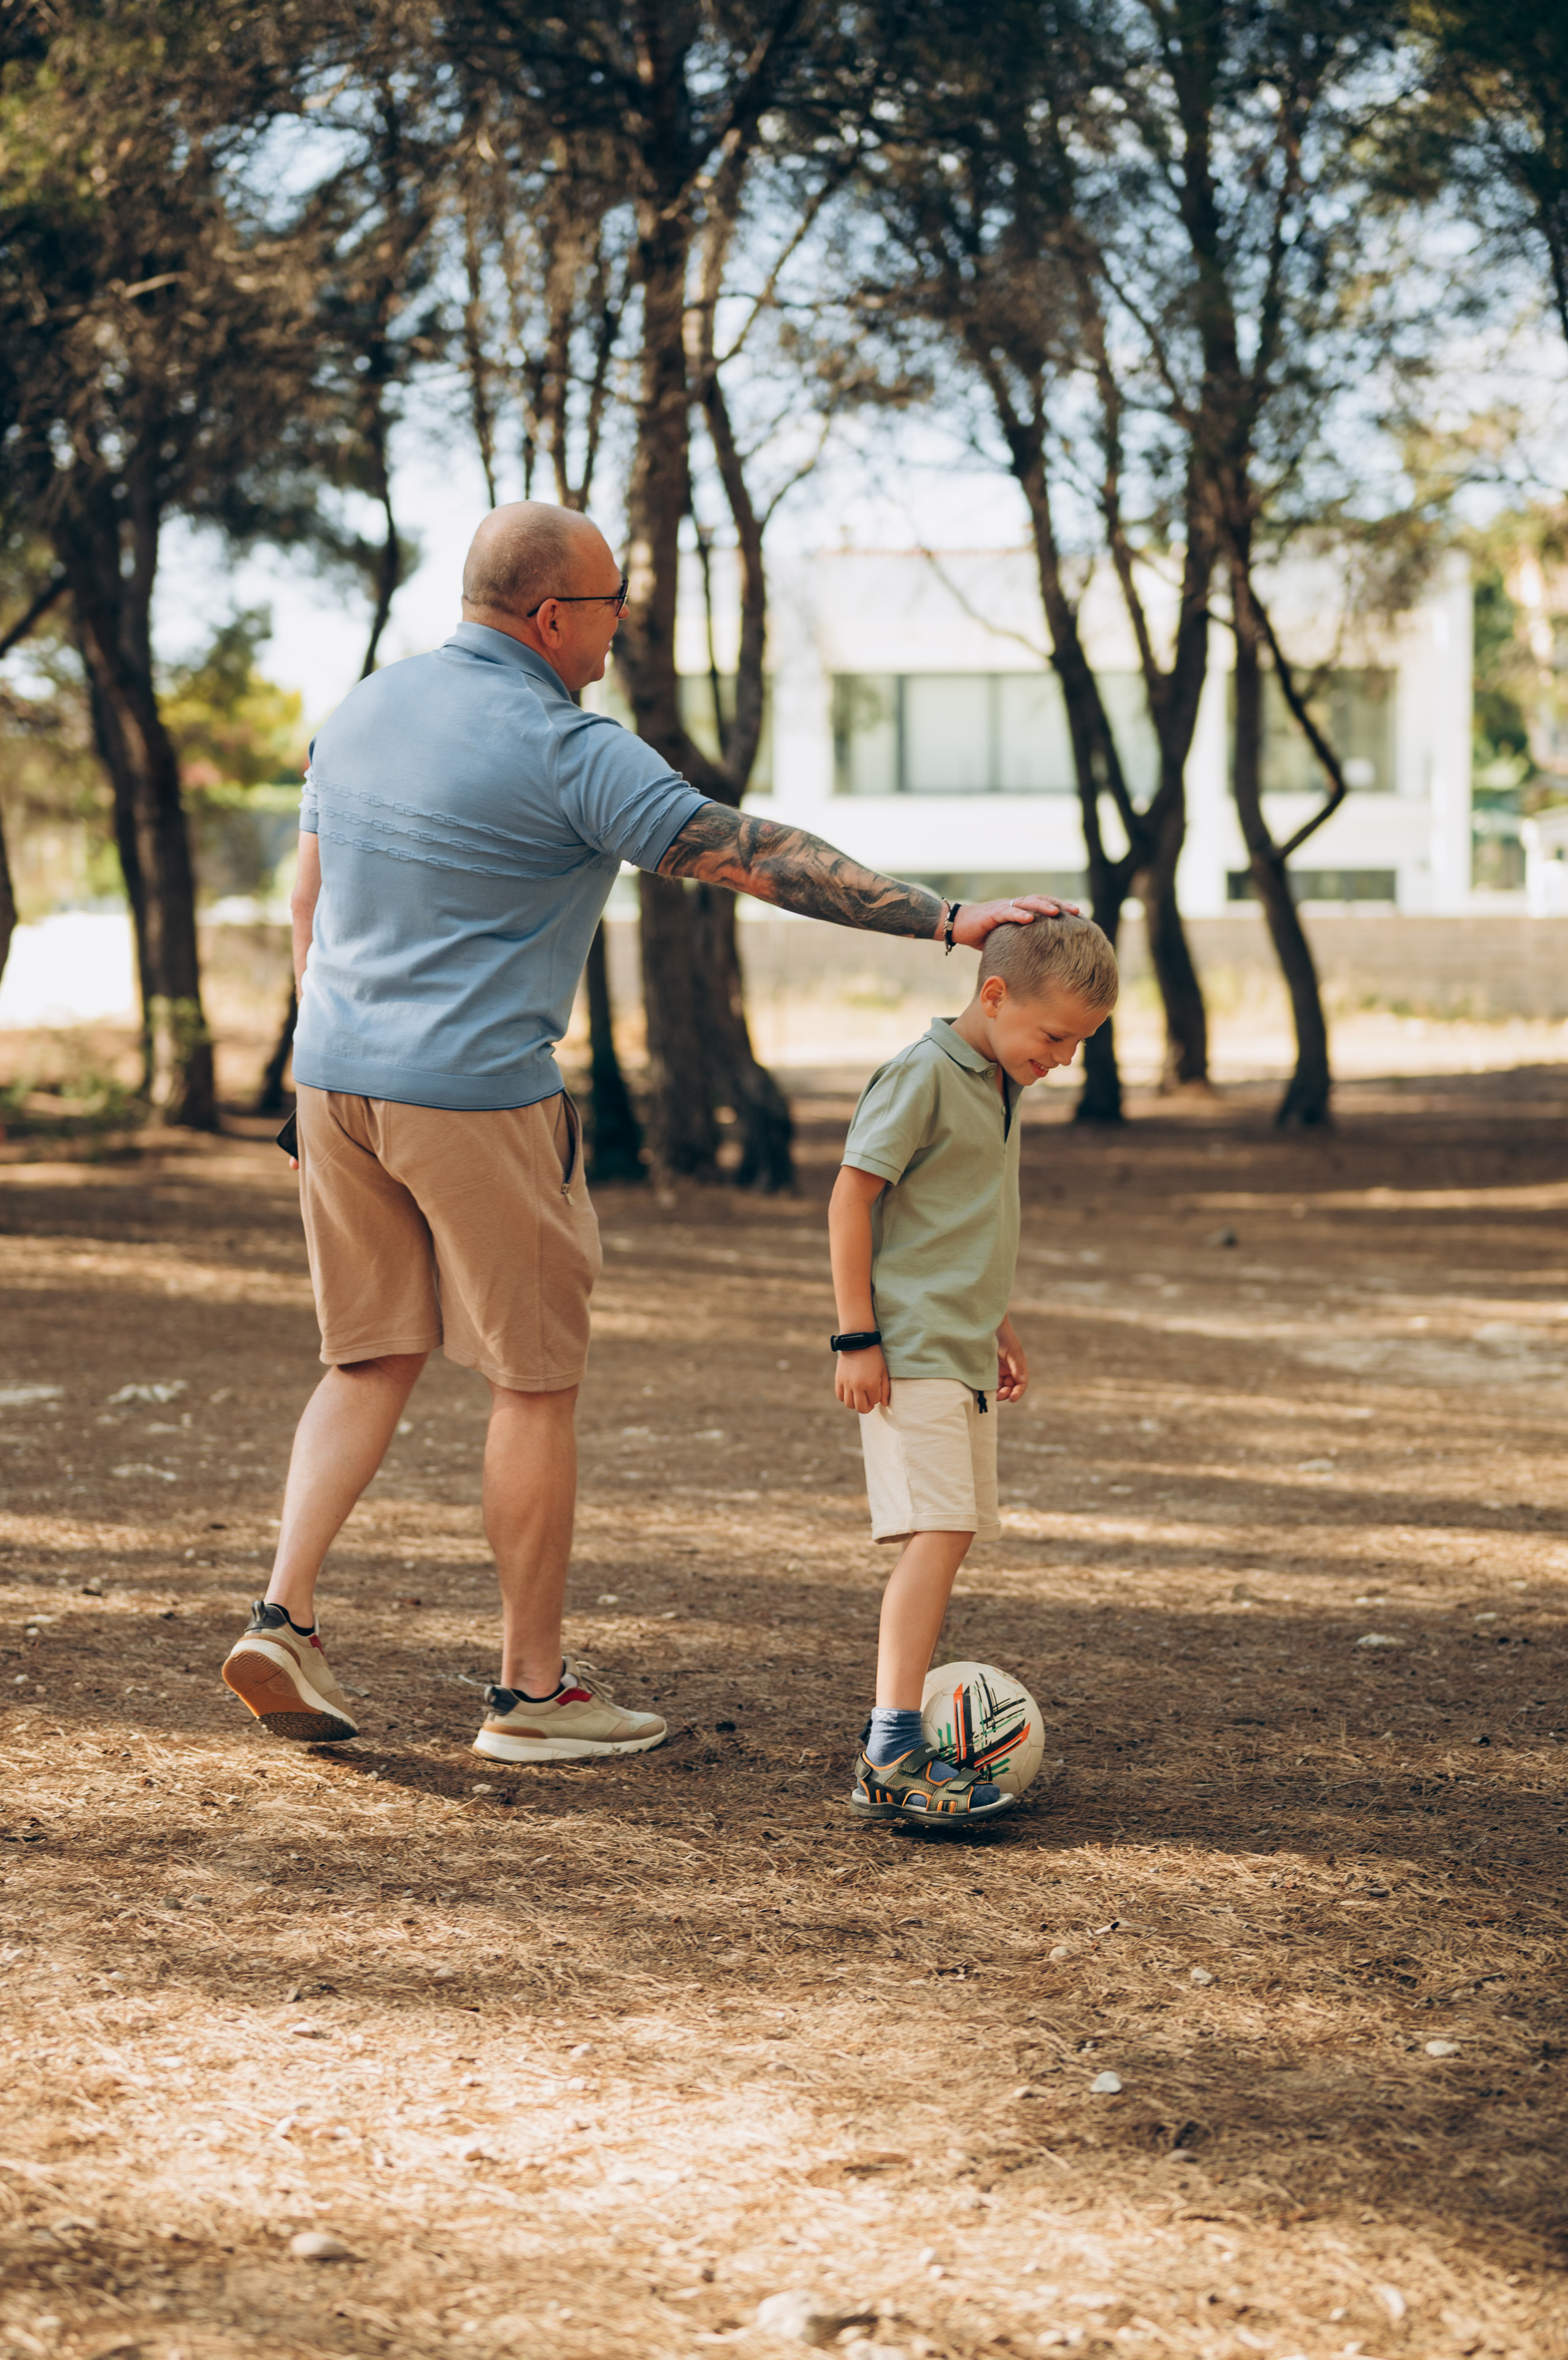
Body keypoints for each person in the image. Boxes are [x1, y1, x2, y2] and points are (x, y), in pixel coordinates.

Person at [220, 498, 1077, 1766]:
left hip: (334, 1082)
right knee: (532, 1383)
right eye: (611, 604)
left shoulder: (359, 712)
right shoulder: (569, 748)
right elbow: (755, 857)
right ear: (549, 616)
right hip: (476, 1095)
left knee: (367, 1360)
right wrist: (944, 919)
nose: (620, 626)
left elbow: (311, 902)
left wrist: (314, 1072)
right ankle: (529, 1694)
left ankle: (282, 1617)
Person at [828, 912, 1118, 1821]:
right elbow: (850, 1201)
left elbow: (956, 1219)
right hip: (909, 1347)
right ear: (994, 995)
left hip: (960, 1347)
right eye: (1056, 1036)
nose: (1064, 1058)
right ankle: (890, 1750)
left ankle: (894, 1740)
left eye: (1079, 1043)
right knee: (940, 1532)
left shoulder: (999, 1080)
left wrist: (998, 1320)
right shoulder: (922, 1074)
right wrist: (856, 1337)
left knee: (950, 1536)